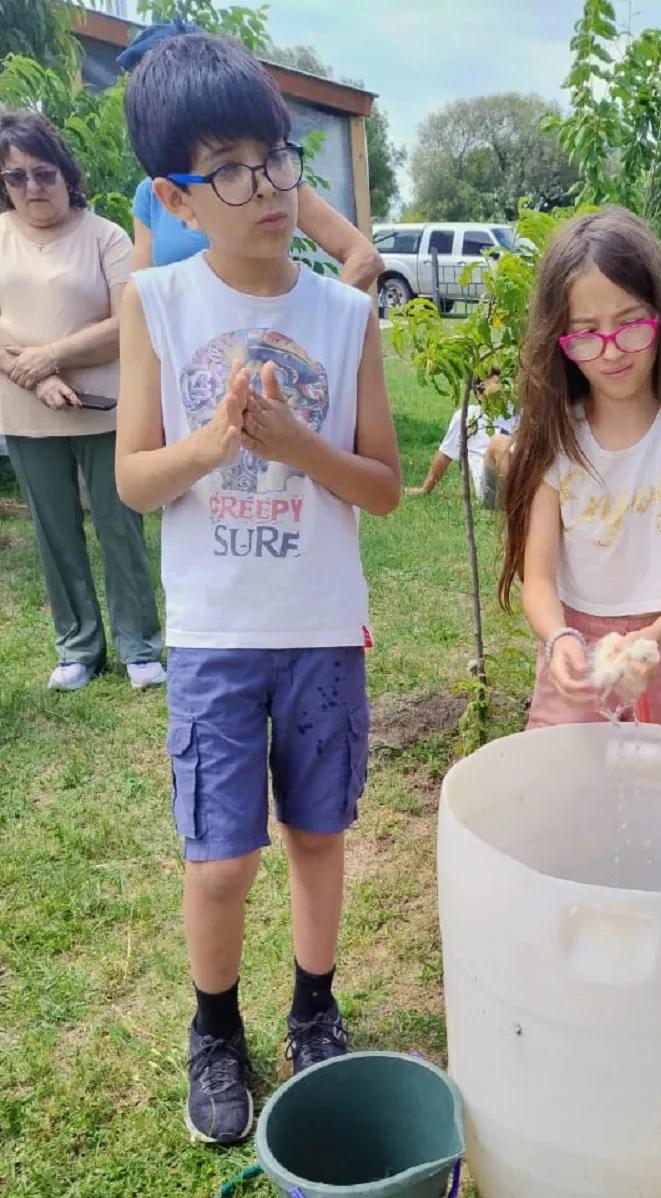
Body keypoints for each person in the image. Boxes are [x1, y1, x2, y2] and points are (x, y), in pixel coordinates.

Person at [115, 33, 401, 1146]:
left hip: (323, 629)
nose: (269, 188)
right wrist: (218, 440)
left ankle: (315, 1006)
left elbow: (379, 488)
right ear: (176, 195)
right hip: (214, 635)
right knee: (222, 855)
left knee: (319, 836)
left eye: (278, 159)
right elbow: (140, 482)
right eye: (230, 168)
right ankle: (215, 1027)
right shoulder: (155, 304)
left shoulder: (346, 314)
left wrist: (294, 444)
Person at [499, 207, 661, 736]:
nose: (610, 351)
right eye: (585, 333)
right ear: (560, 338)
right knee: (568, 799)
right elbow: (537, 581)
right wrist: (560, 640)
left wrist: (648, 640)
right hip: (577, 665)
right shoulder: (553, 443)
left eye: (630, 325)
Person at [0, 110, 164, 692]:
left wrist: (51, 357)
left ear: (67, 174)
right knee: (54, 530)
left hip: (103, 405)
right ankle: (77, 648)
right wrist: (36, 376)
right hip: (24, 408)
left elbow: (127, 321)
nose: (31, 188)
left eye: (42, 174)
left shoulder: (105, 235)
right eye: (15, 177)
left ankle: (140, 644)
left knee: (120, 524)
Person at [116, 19, 383, 291]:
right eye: (227, 169)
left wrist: (319, 325)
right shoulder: (149, 196)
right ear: (173, 198)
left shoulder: (276, 181)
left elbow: (364, 257)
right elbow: (144, 286)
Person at [407, 373, 517, 510]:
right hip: (492, 489)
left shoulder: (516, 413)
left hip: (522, 475)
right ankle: (518, 501)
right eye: (496, 389)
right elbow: (445, 454)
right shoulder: (468, 416)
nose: (501, 394)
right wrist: (424, 489)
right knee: (500, 442)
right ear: (480, 393)